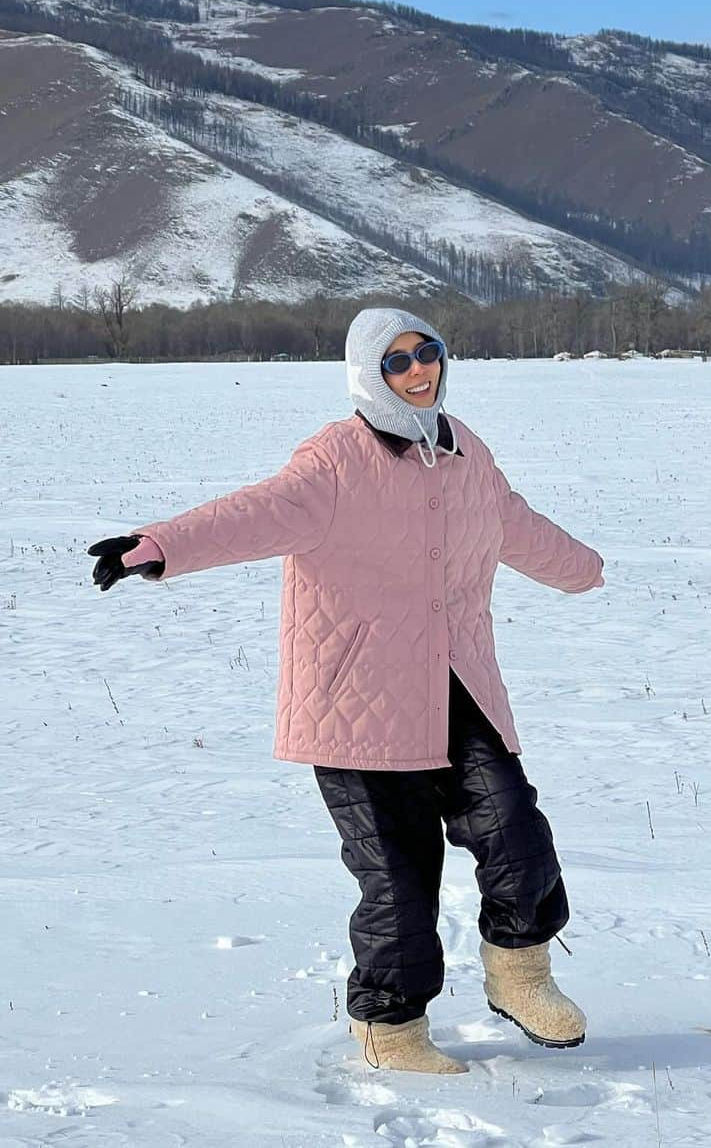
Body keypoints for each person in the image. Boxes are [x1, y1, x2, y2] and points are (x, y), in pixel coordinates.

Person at [88, 307, 605, 1075]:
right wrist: (159, 547)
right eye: (397, 362)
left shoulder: (467, 454)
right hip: (355, 703)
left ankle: (520, 976)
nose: (419, 371)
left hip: (457, 687)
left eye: (427, 353)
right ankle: (390, 1027)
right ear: (369, 373)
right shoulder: (336, 458)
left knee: (517, 835)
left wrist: (584, 568)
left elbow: (511, 523)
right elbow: (254, 513)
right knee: (397, 876)